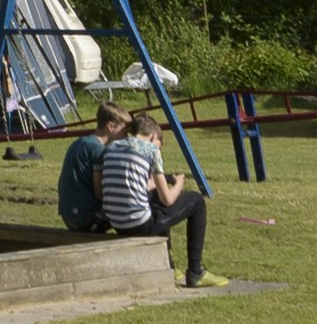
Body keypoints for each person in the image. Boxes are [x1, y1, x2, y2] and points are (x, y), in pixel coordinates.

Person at [59, 98, 209, 286]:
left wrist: (149, 184)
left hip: (74, 216)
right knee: (194, 201)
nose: (126, 137)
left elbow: (123, 184)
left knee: (153, 199)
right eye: (124, 132)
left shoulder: (95, 146)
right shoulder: (102, 150)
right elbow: (101, 194)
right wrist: (178, 183)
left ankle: (169, 264)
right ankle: (195, 271)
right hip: (90, 220)